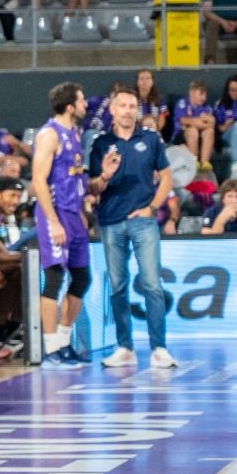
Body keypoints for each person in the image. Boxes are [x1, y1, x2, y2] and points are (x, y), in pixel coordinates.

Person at [88, 89, 176, 369]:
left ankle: (159, 348)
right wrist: (105, 175)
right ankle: (124, 347)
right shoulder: (100, 143)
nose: (128, 110)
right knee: (118, 286)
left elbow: (166, 178)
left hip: (143, 221)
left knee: (152, 283)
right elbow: (93, 188)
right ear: (112, 110)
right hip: (111, 221)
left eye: (132, 106)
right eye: (122, 106)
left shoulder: (150, 139)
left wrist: (152, 208)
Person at [32, 82, 93, 366]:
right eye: (81, 101)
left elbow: (75, 178)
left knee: (82, 278)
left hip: (73, 213)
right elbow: (38, 182)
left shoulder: (75, 133)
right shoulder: (49, 135)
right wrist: (54, 222)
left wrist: (82, 209)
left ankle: (64, 341)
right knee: (55, 276)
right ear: (70, 106)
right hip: (53, 213)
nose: (85, 105)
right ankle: (50, 347)